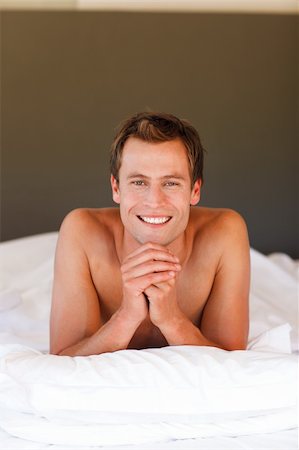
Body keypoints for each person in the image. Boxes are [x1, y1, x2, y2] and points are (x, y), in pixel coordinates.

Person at [50, 112, 250, 356]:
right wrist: (126, 316)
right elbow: (62, 359)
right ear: (116, 188)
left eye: (171, 183)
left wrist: (171, 319)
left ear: (194, 190)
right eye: (139, 182)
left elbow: (234, 361)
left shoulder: (225, 233)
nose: (154, 201)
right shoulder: (81, 230)